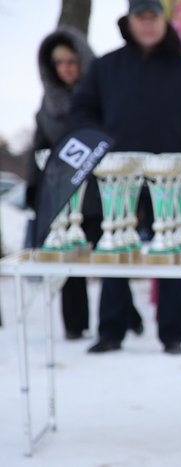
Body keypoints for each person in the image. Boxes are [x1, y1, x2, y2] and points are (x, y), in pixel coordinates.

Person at [71, 0, 181, 355]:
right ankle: (111, 330)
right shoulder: (105, 67)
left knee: (171, 250)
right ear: (129, 22)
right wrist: (102, 147)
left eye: (154, 17)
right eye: (141, 17)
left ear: (163, 21)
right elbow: (81, 111)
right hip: (117, 176)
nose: (148, 24)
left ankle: (172, 335)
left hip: (167, 176)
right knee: (115, 247)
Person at [27, 26, 99, 340]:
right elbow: (38, 148)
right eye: (60, 63)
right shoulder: (47, 105)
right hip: (63, 194)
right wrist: (34, 190)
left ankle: (123, 318)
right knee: (68, 259)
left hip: (100, 193)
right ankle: (74, 324)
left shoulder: (102, 95)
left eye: (72, 60)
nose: (67, 68)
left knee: (110, 259)